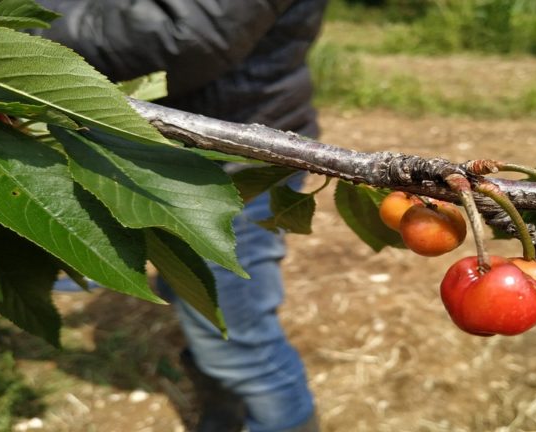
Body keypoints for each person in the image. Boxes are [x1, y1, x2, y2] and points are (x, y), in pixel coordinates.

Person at [36, 1, 328, 431]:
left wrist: (22, 24)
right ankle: (223, 415)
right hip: (184, 154)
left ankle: (276, 418)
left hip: (230, 165)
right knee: (197, 302)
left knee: (240, 347)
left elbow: (186, 32)